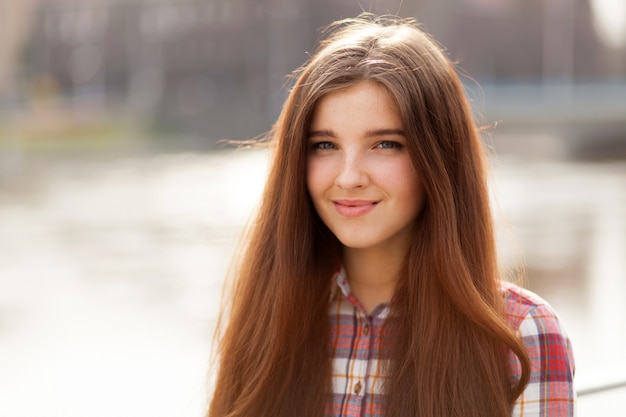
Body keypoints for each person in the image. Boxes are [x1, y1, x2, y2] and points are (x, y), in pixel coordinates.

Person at [208, 13, 575, 417]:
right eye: (325, 145)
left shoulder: (522, 333)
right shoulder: (269, 315)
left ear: (440, 157)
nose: (348, 178)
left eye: (385, 144)